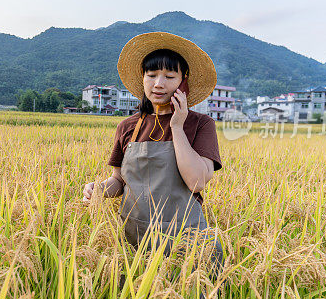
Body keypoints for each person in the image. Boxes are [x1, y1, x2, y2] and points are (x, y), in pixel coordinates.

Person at [83, 31, 224, 278]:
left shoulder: (201, 125)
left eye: (170, 76)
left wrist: (177, 127)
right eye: (151, 75)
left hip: (187, 241)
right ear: (143, 78)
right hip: (135, 238)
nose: (159, 83)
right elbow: (119, 181)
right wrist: (99, 189)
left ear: (184, 83)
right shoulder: (127, 126)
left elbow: (197, 181)